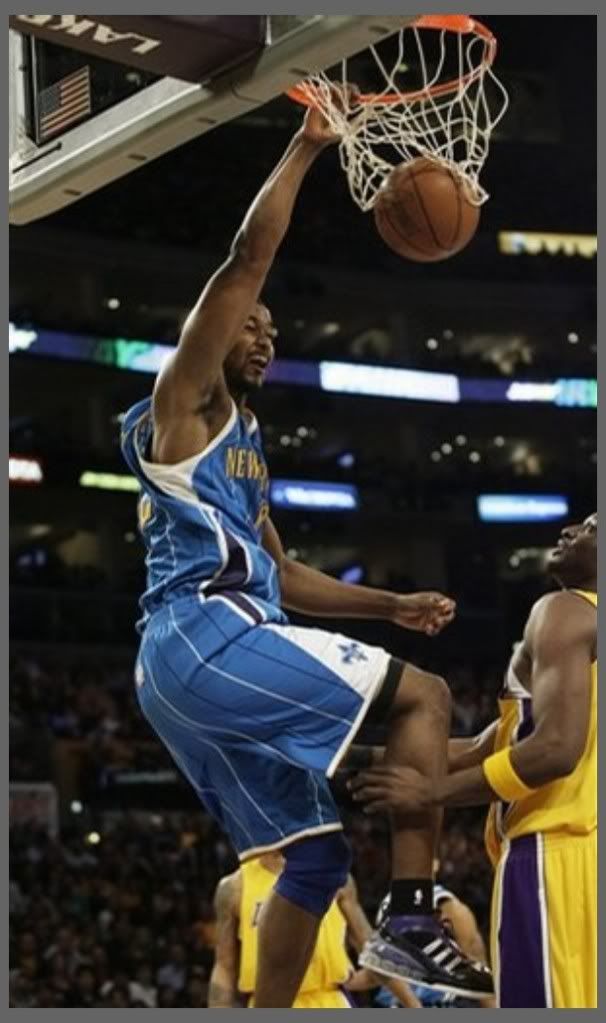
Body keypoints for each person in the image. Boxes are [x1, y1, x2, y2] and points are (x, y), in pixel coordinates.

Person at [120, 93, 492, 1006]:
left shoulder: (241, 446)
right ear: (207, 337)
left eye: (274, 330)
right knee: (430, 696)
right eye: (252, 324)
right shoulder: (186, 404)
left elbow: (282, 573)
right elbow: (245, 263)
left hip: (181, 664)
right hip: (206, 632)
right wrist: (305, 145)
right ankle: (411, 917)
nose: (266, 332)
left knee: (317, 860)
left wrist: (389, 605)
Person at [350, 513, 597, 1008]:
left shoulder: (565, 610)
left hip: (559, 858)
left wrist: (431, 793)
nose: (571, 530)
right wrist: (350, 757)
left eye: (593, 528)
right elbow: (493, 744)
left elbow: (555, 750)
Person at [209, 852, 420, 1008]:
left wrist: (414, 1006)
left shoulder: (336, 878)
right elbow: (224, 967)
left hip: (331, 1001)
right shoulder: (234, 888)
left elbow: (372, 951)